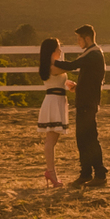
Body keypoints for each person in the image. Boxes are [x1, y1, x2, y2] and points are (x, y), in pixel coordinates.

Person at [53, 24, 108, 186]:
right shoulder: (92, 54)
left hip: (87, 103)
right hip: (86, 101)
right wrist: (79, 87)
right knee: (84, 138)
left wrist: (53, 61)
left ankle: (97, 173)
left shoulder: (93, 55)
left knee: (88, 138)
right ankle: (88, 173)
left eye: (79, 39)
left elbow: (71, 65)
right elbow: (92, 79)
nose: (78, 42)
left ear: (87, 38)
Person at [37, 38, 75, 187]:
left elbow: (57, 80)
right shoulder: (52, 67)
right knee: (51, 140)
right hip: (53, 101)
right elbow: (69, 67)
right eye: (58, 48)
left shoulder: (52, 67)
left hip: (57, 99)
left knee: (53, 139)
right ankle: (51, 172)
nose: (60, 51)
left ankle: (51, 172)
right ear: (52, 51)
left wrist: (67, 83)